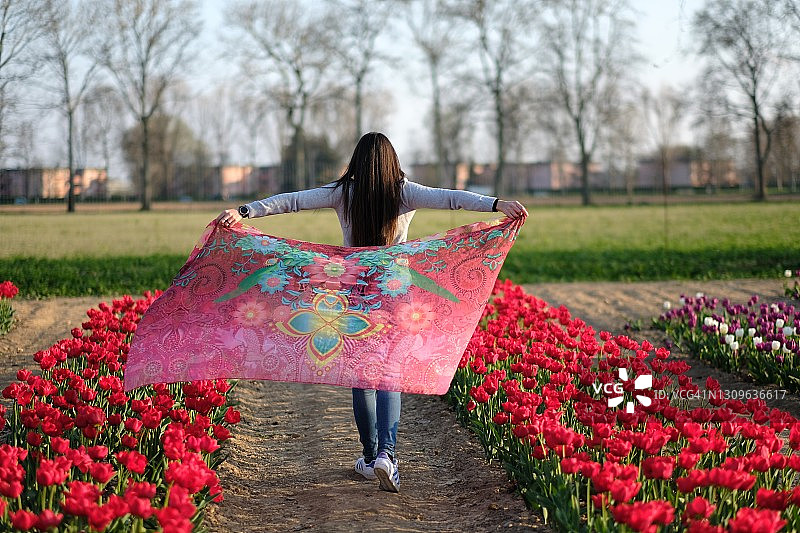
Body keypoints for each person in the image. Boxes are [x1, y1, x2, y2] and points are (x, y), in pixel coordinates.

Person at [216, 132, 527, 493]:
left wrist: (243, 212)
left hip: (355, 291)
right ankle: (387, 455)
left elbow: (293, 201)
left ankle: (368, 455)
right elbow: (452, 199)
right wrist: (497, 204)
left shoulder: (342, 192)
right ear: (392, 161)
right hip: (394, 293)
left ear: (357, 162)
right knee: (388, 375)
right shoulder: (405, 191)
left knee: (362, 375)